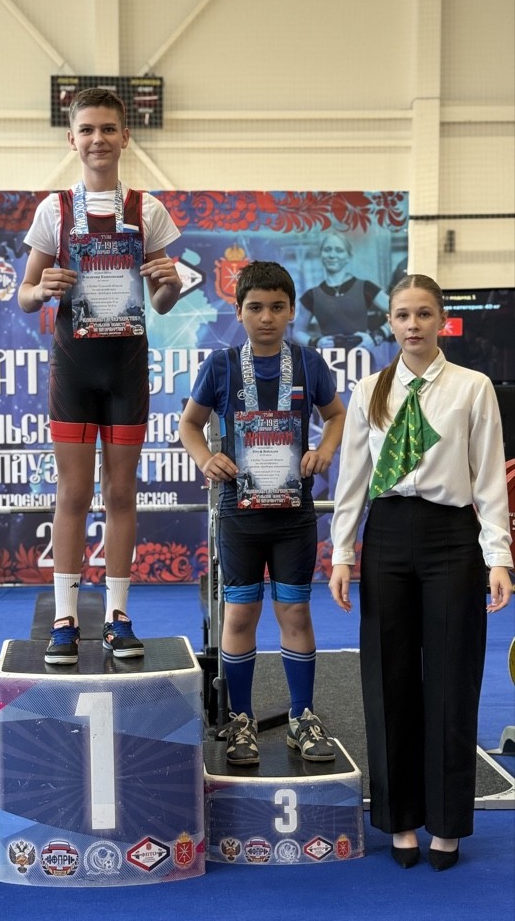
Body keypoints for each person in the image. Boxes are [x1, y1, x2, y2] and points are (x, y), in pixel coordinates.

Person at [329, 274, 512, 870]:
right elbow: (352, 479)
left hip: (451, 538)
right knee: (390, 677)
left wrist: (499, 556)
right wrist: (342, 552)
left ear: (441, 321)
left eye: (424, 314)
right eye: (403, 314)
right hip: (387, 535)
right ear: (390, 322)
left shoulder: (471, 387)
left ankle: (448, 821)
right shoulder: (370, 390)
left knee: (453, 677)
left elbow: (488, 478)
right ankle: (400, 817)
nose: (413, 324)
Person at [18, 87, 181, 664]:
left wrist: (168, 282)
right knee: (72, 493)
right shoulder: (54, 210)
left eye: (108, 128)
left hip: (126, 368)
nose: (98, 139)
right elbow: (24, 294)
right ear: (72, 139)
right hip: (74, 368)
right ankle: (64, 620)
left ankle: (117, 617)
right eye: (87, 129)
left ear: (125, 136)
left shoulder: (148, 209)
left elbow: (161, 302)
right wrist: (42, 288)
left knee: (120, 492)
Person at [179, 261, 346, 765]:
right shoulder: (222, 365)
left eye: (277, 307)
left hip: (294, 513)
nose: (267, 317)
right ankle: (241, 720)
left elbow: (336, 415)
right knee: (240, 614)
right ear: (239, 311)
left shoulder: (308, 362)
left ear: (292, 310)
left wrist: (326, 450)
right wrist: (205, 459)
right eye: (255, 307)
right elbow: (189, 425)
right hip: (240, 511)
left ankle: (301, 717)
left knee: (295, 612)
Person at [292, 230, 390, 350]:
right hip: (329, 358)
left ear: (349, 257)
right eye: (327, 249)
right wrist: (315, 342)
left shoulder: (366, 287)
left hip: (362, 356)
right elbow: (297, 332)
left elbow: (401, 313)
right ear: (321, 255)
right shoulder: (311, 296)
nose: (332, 255)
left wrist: (376, 337)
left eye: (339, 250)